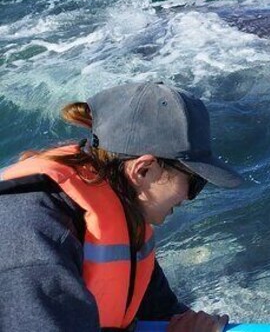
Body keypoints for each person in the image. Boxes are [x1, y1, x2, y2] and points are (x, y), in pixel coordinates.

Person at [0, 81, 244, 331]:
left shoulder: (126, 222)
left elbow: (162, 312)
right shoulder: (35, 240)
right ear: (144, 170)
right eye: (195, 181)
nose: (189, 197)